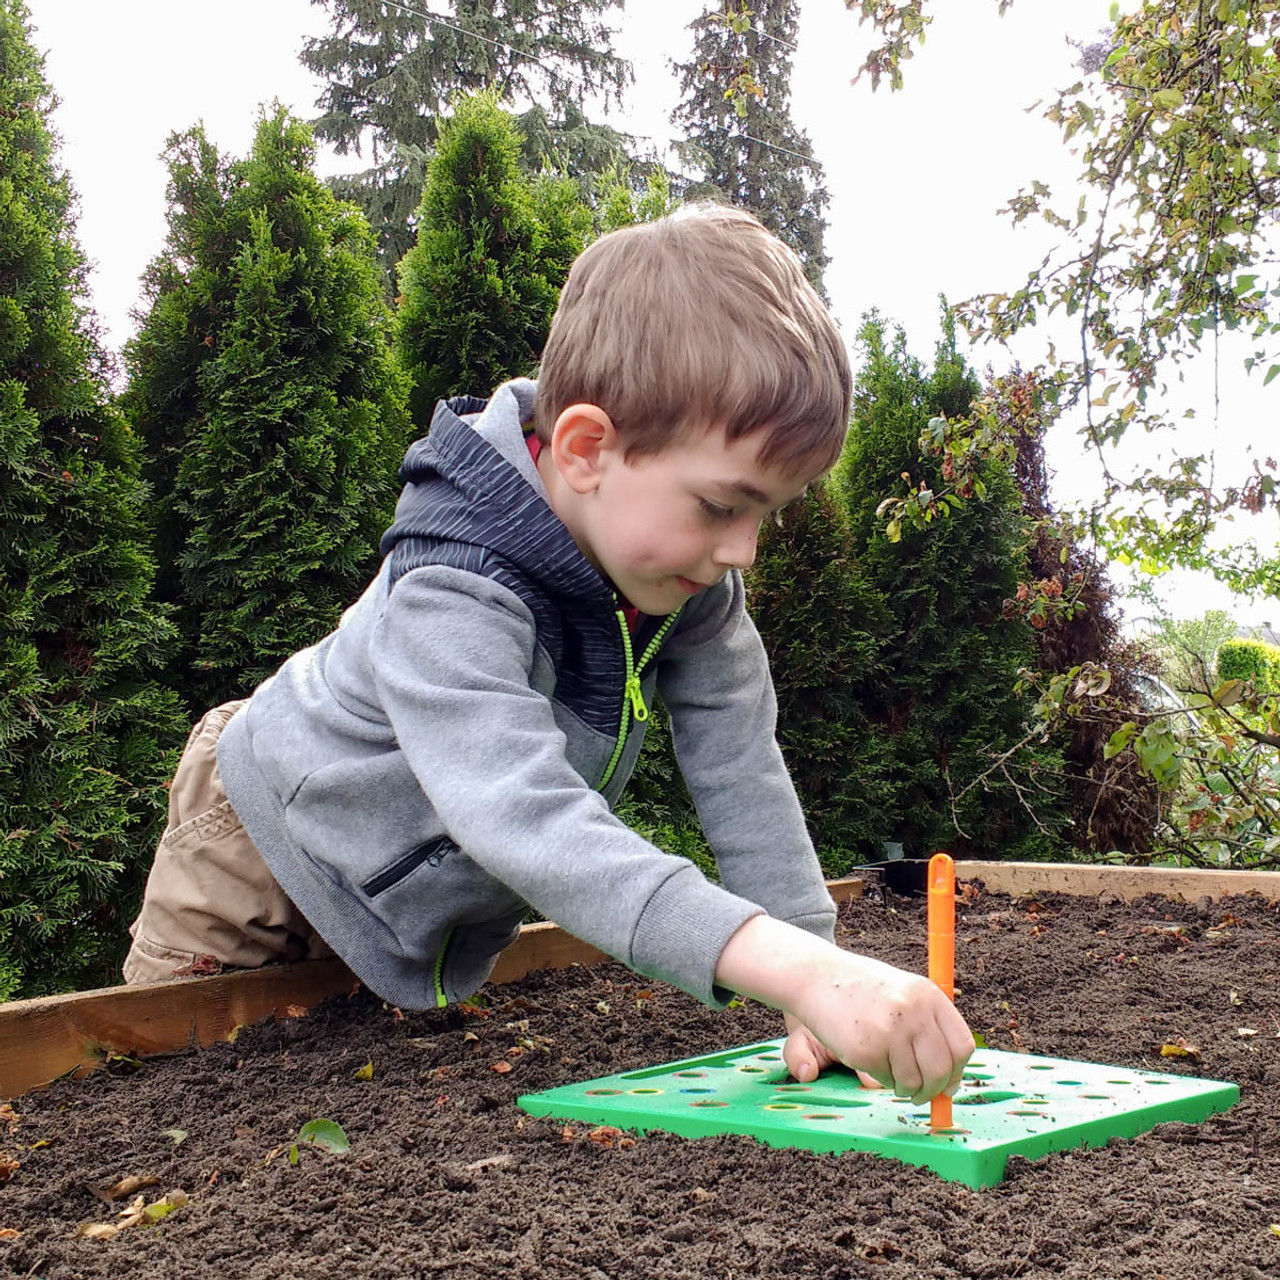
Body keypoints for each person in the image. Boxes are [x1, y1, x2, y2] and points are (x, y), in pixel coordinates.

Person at [124, 202, 973, 1105]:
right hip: (261, 851)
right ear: (586, 449)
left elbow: (741, 765)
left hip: (406, 907)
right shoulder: (453, 581)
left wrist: (814, 967)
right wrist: (790, 970)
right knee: (173, 1101)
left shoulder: (688, 587)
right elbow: (523, 815)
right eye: (725, 506)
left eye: (768, 513)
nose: (743, 552)